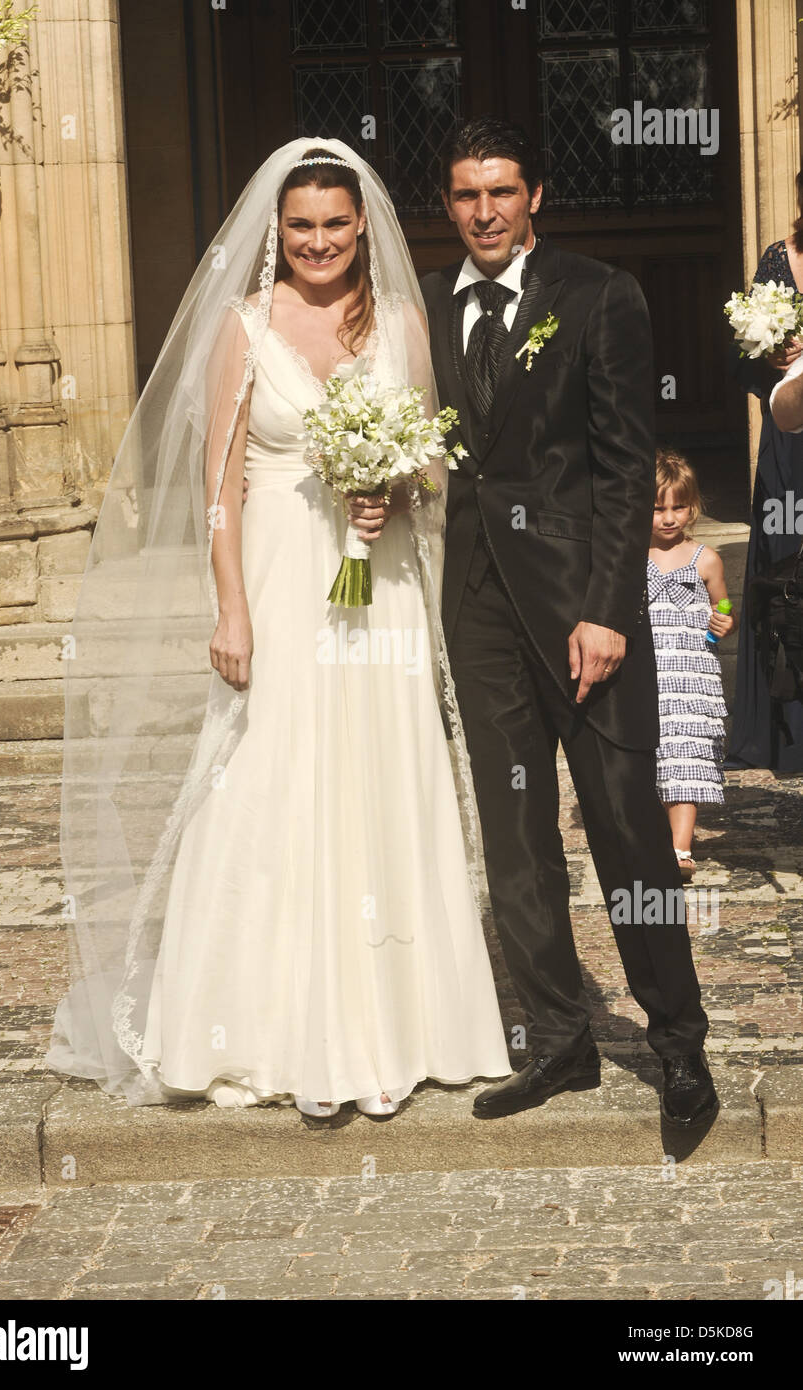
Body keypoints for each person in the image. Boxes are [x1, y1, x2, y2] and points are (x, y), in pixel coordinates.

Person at [46, 139, 511, 1117]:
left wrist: (389, 481)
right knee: (266, 774)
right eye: (299, 225)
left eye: (334, 223)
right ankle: (259, 1024)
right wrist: (230, 605)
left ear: (359, 226)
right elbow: (218, 484)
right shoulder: (242, 326)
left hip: (376, 587)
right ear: (277, 231)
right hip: (276, 575)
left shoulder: (400, 325)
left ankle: (401, 1025)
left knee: (382, 772)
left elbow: (435, 467)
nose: (317, 240)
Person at [372, 115, 717, 1129]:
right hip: (476, 607)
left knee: (624, 836)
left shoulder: (601, 296)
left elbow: (622, 466)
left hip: (583, 616)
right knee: (515, 841)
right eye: (465, 195)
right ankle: (559, 1038)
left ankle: (678, 1047)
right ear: (447, 207)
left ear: (533, 201)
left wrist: (608, 612)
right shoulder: (426, 308)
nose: (483, 210)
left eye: (500, 191)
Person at [725, 177, 803, 772]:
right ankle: (781, 727)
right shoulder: (778, 260)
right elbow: (743, 356)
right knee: (784, 562)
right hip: (788, 438)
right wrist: (769, 353)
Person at [648, 450, 736, 881]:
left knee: (687, 758)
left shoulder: (706, 559)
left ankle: (681, 849)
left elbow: (722, 607)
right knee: (654, 760)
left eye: (677, 507)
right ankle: (652, 839)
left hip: (692, 680)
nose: (668, 518)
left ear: (692, 506)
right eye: (657, 507)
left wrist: (723, 622)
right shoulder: (628, 558)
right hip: (648, 677)